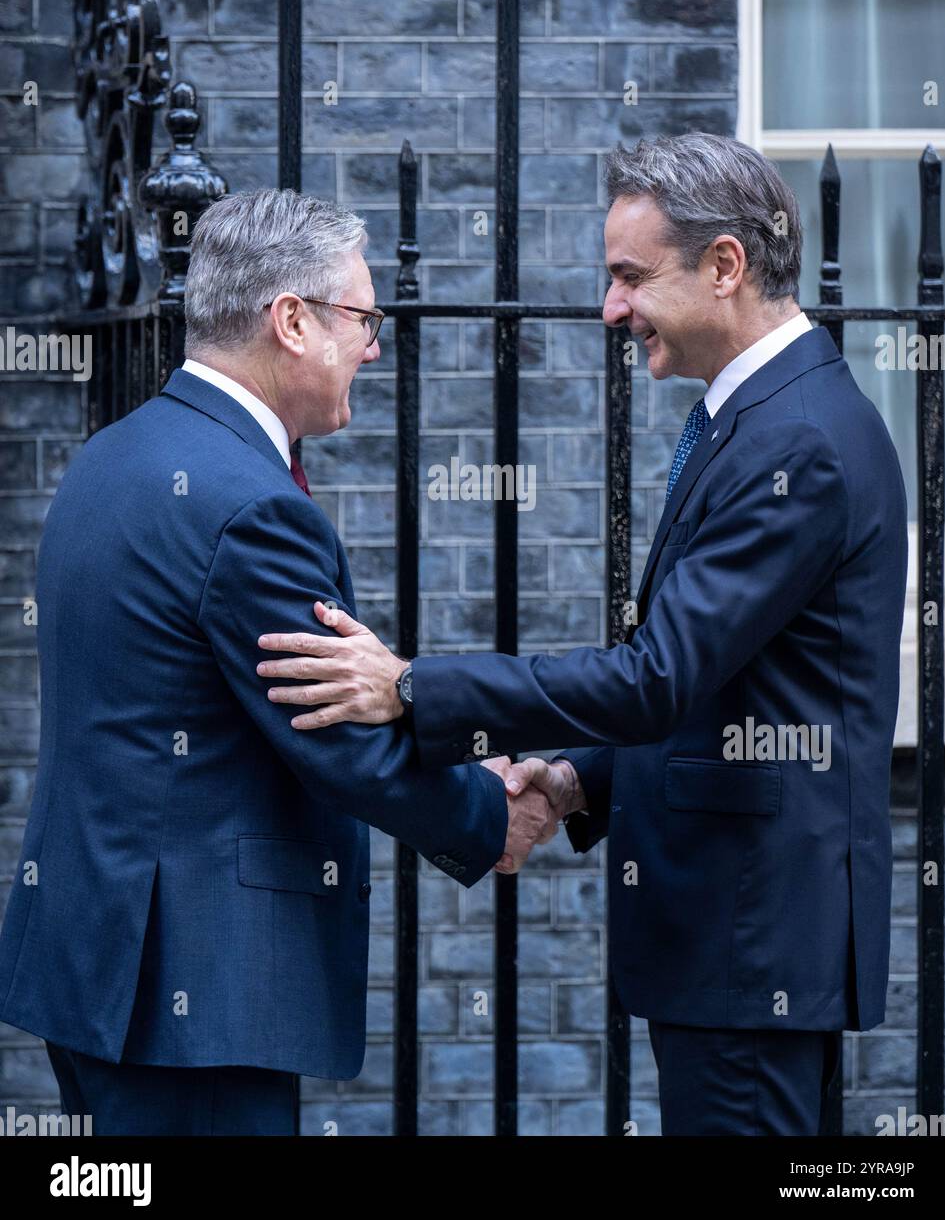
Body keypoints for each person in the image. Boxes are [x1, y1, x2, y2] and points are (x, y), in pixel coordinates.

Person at [255, 134, 909, 1136]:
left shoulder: (797, 442)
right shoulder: (769, 419)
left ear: (725, 265)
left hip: (747, 944)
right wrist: (574, 779)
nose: (610, 310)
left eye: (629, 277)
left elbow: (657, 676)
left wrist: (413, 687)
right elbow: (720, 686)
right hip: (740, 942)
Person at [0, 189, 557, 1136]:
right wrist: (487, 816)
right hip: (195, 993)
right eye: (362, 318)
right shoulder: (252, 507)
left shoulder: (110, 457)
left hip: (93, 963)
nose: (374, 346)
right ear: (291, 321)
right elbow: (333, 732)